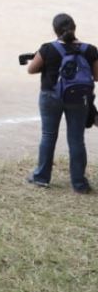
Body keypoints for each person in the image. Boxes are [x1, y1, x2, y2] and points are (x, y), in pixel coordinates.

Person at [26, 14, 95, 193]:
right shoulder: (90, 50)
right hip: (78, 99)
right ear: (75, 27)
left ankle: (41, 177)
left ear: (55, 30)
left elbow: (31, 69)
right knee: (76, 140)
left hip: (51, 96)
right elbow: (97, 76)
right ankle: (79, 183)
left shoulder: (48, 49)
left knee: (48, 135)